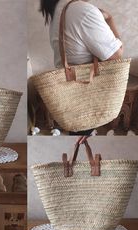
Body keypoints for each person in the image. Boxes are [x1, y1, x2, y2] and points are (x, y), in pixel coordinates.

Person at [40, 0, 123, 136]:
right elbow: (117, 55)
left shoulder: (59, 9)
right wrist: (110, 18)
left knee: (79, 129)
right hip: (87, 88)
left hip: (71, 90)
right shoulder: (82, 10)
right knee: (84, 128)